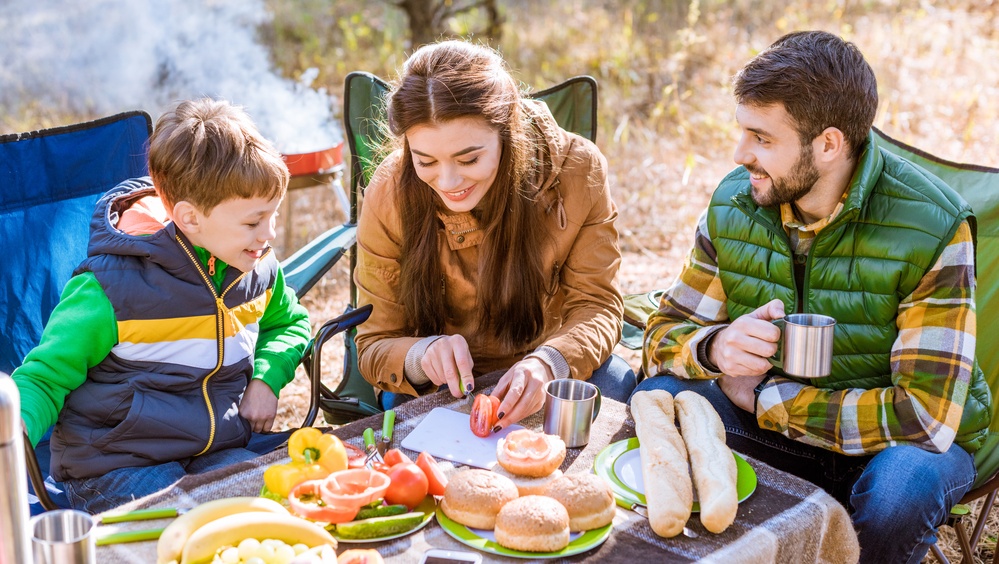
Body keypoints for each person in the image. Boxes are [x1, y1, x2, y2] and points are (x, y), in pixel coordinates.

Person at [635, 30, 991, 563]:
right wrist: (715, 348)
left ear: (828, 144)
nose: (740, 154)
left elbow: (923, 417)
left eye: (762, 138)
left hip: (890, 449)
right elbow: (661, 336)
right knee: (664, 393)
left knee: (900, 494)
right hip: (774, 429)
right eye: (742, 131)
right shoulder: (736, 202)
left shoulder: (932, 229)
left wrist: (766, 400)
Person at [12, 98, 312, 513]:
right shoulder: (110, 288)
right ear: (190, 218)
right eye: (252, 222)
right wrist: (16, 427)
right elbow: (44, 378)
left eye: (272, 216)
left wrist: (266, 378)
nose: (269, 234)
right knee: (187, 529)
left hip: (212, 448)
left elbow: (290, 323)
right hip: (115, 463)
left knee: (278, 505)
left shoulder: (258, 269)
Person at [354, 40, 636, 428]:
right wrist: (422, 354)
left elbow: (598, 305)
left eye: (469, 158)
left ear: (508, 131)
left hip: (543, 362)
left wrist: (548, 362)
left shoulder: (577, 169)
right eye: (426, 161)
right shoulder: (389, 190)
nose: (449, 181)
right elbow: (374, 343)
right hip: (438, 386)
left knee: (616, 382)